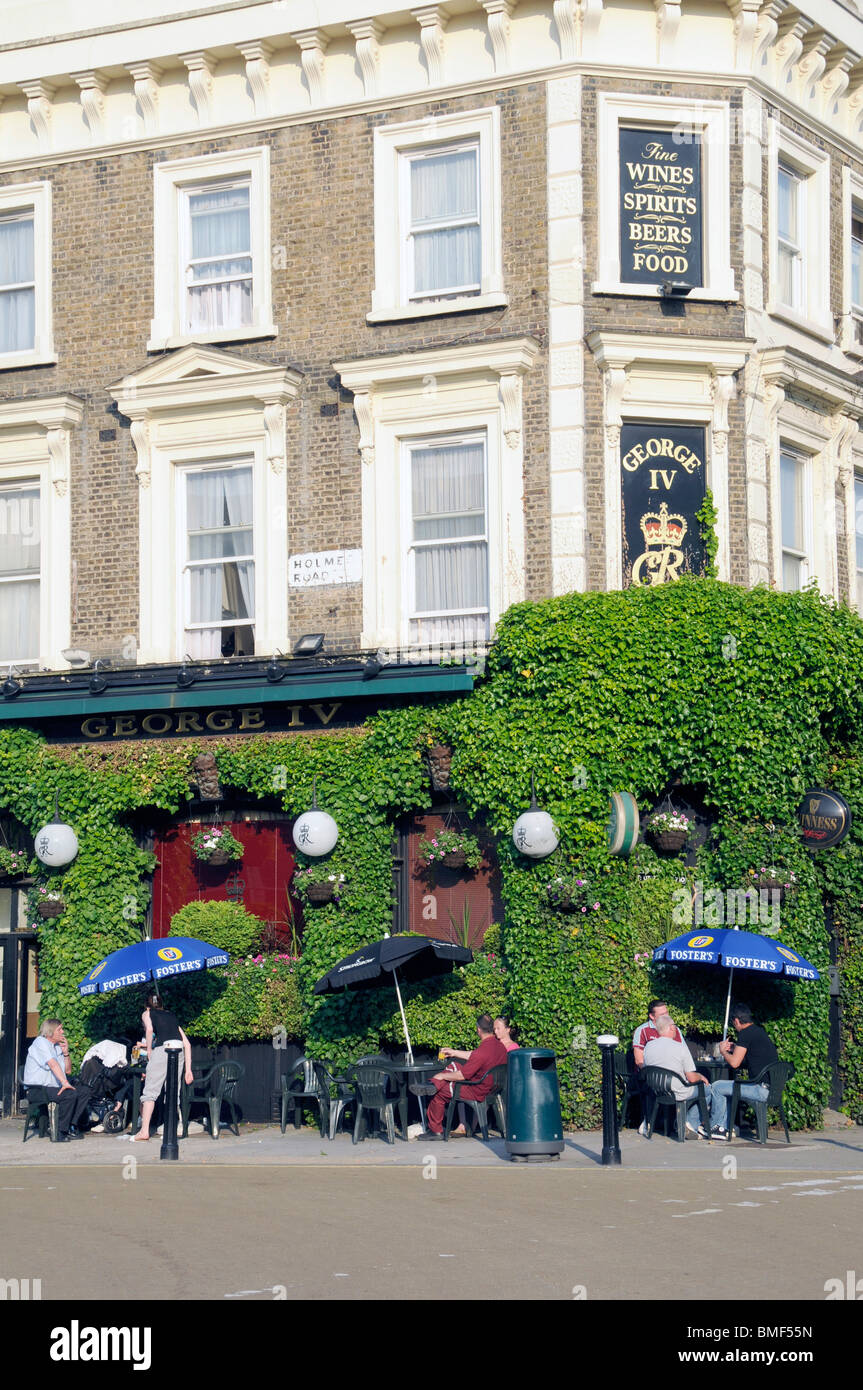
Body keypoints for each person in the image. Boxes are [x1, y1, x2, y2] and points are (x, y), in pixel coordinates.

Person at [423, 1014, 507, 1139]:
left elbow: (462, 1076)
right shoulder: (499, 1046)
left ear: (478, 1029)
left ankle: (435, 1130)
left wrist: (441, 1076)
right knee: (455, 1064)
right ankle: (433, 1084)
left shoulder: (482, 1051)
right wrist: (454, 1052)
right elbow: (475, 1056)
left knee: (439, 1092)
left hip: (477, 1089)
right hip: (494, 1088)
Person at [642, 1015, 726, 1137]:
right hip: (677, 1090)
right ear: (671, 1028)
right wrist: (701, 1077)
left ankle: (683, 1122)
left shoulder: (648, 1046)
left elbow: (647, 1067)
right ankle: (689, 1122)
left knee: (695, 1086)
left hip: (657, 1090)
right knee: (707, 1089)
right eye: (675, 1026)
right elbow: (691, 1078)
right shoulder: (680, 1047)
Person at [132, 992, 194, 1142]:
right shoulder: (171, 1016)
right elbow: (187, 1043)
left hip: (162, 1050)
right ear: (161, 1004)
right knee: (173, 1091)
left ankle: (144, 1131)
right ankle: (171, 1130)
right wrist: (188, 1070)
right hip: (178, 1050)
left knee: (150, 1091)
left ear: (147, 1006)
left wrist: (149, 1051)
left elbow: (149, 1030)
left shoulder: (147, 1013)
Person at [712, 1004, 779, 1137]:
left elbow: (735, 1063)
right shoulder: (759, 1031)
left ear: (736, 1020)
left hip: (760, 1090)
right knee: (728, 1089)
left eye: (733, 1023)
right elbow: (754, 1056)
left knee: (717, 1086)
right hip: (773, 1090)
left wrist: (723, 1052)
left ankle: (717, 1126)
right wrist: (735, 1048)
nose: (734, 1026)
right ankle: (726, 1127)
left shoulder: (745, 1034)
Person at [23, 1019, 90, 1142]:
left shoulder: (57, 1046)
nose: (63, 1032)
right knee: (69, 1094)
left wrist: (65, 1053)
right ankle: (59, 1132)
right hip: (37, 1089)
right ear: (50, 1032)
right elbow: (53, 1064)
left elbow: (68, 1071)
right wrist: (65, 1083)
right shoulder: (40, 1043)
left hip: (53, 1087)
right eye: (59, 1029)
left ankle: (71, 1125)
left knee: (84, 1091)